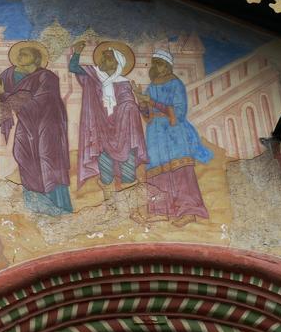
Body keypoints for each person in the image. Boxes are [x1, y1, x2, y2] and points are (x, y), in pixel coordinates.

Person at [133, 49, 213, 227]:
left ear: (167, 66)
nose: (155, 66)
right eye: (154, 63)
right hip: (155, 135)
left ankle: (189, 211)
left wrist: (152, 102)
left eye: (159, 63)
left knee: (180, 171)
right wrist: (142, 102)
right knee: (157, 172)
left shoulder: (176, 84)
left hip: (174, 133)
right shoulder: (151, 86)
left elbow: (179, 112)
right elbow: (147, 116)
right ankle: (160, 211)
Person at [0, 41, 72, 216]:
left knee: (48, 162)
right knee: (26, 159)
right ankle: (35, 208)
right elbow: (13, 95)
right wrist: (6, 94)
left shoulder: (47, 77)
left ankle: (58, 207)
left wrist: (5, 94)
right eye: (19, 53)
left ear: (36, 59)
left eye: (25, 54)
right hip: (27, 126)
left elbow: (42, 102)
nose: (20, 57)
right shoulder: (13, 77)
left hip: (48, 127)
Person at [70, 41, 147, 199]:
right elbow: (73, 67)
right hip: (102, 132)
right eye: (102, 57)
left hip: (124, 134)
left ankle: (128, 206)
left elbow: (129, 104)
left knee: (128, 171)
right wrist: (76, 53)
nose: (103, 61)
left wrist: (134, 103)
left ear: (117, 63)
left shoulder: (124, 83)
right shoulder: (94, 76)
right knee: (106, 173)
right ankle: (110, 206)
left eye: (108, 58)